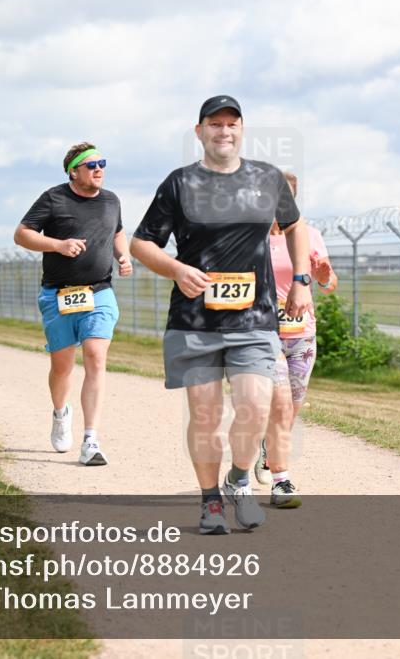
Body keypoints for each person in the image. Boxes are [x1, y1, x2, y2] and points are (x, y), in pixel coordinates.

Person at [130, 96, 312, 534]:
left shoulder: (267, 178)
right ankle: (211, 503)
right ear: (199, 132)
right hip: (194, 322)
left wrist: (302, 280)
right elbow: (141, 244)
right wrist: (175, 268)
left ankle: (239, 480)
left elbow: (295, 225)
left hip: (254, 320)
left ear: (242, 130)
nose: (223, 131)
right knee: (206, 416)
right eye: (215, 124)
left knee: (254, 405)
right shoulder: (179, 183)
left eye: (232, 123)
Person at [14, 142, 132, 467]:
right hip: (58, 294)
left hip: (100, 292)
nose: (99, 169)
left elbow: (118, 232)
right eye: (91, 165)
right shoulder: (53, 198)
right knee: (62, 367)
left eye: (102, 163)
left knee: (95, 358)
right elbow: (21, 235)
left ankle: (91, 440)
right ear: (74, 171)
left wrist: (123, 255)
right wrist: (58, 245)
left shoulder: (111, 200)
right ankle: (60, 412)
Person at [256, 172, 339, 508]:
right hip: (263, 331)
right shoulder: (251, 237)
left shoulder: (309, 235)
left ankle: (268, 450)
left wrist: (323, 277)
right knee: (280, 403)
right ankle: (281, 479)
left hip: (302, 332)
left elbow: (330, 283)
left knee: (293, 406)